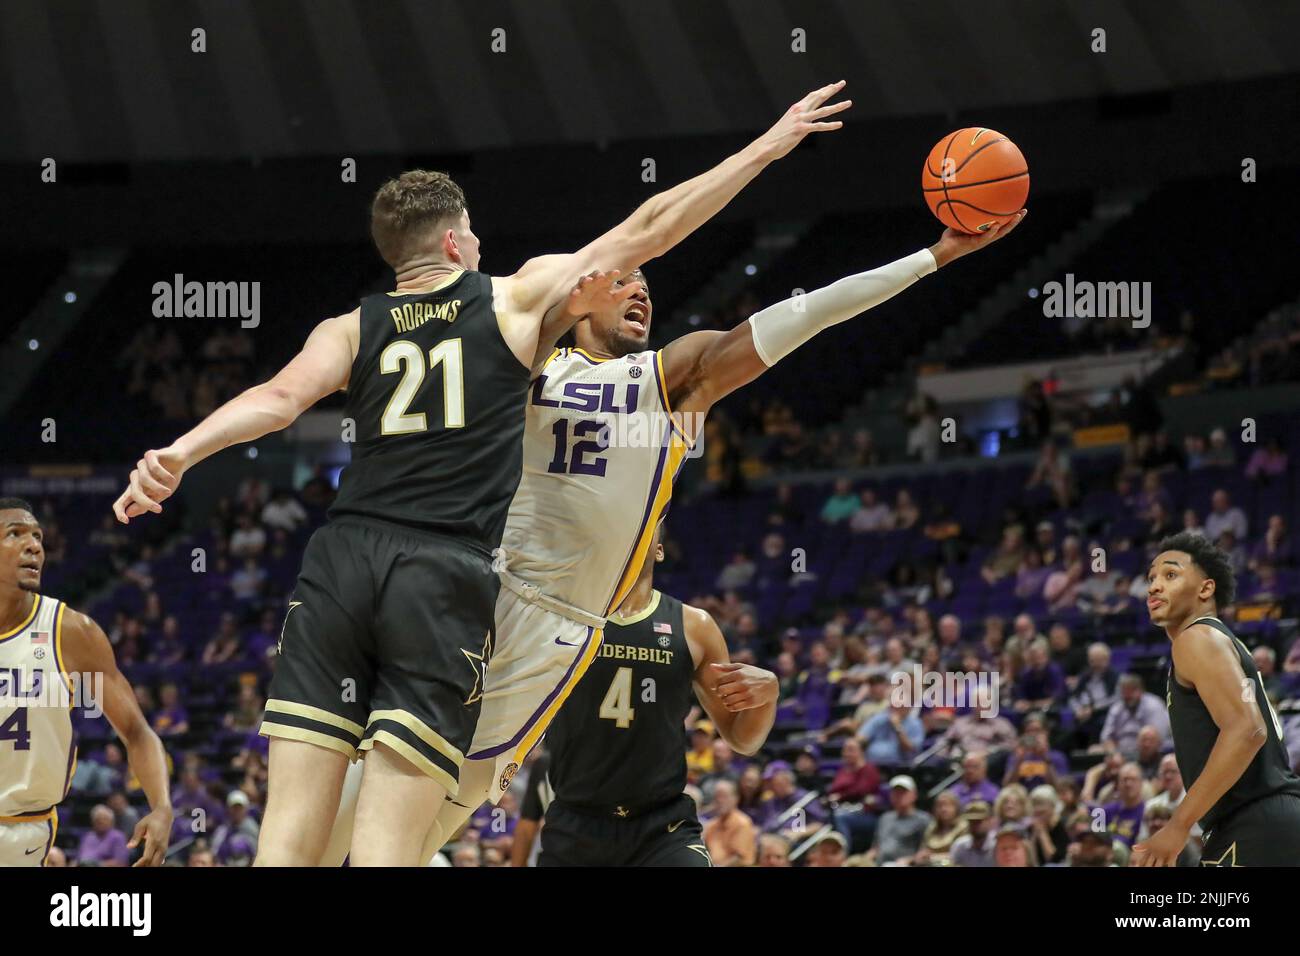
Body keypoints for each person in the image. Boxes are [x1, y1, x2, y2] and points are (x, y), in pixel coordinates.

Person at [112, 88, 834, 866]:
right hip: (442, 571)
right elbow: (654, 225)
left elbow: (278, 402)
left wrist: (177, 455)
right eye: (475, 236)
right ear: (456, 243)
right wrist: (768, 147)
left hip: (342, 557)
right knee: (391, 844)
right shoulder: (515, 299)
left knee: (287, 843)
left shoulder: (349, 325)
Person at [534, 526, 777, 866]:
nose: (632, 525)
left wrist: (767, 697)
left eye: (644, 521)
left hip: (663, 828)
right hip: (576, 825)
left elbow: (742, 739)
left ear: (659, 549)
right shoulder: (559, 616)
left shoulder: (695, 626)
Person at [0, 500, 172, 868]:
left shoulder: (70, 632)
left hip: (23, 830)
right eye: (15, 534)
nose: (34, 546)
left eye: (38, 537)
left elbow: (136, 731)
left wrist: (161, 805)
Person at [1133, 532, 1300, 866]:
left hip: (1255, 822)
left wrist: (1178, 826)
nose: (1153, 586)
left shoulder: (1195, 638)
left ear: (1205, 589)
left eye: (1170, 574)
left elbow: (1247, 730)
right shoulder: (1218, 640)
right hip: (1268, 820)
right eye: (1151, 578)